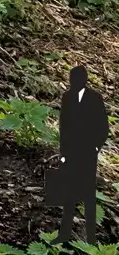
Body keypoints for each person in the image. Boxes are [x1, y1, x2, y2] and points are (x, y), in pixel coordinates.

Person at [47, 66, 107, 238]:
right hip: (71, 152)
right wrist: (63, 153)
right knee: (69, 193)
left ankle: (91, 238)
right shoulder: (67, 98)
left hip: (88, 153)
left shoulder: (95, 98)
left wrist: (96, 147)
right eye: (72, 79)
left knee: (88, 194)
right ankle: (64, 233)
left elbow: (103, 126)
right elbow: (63, 127)